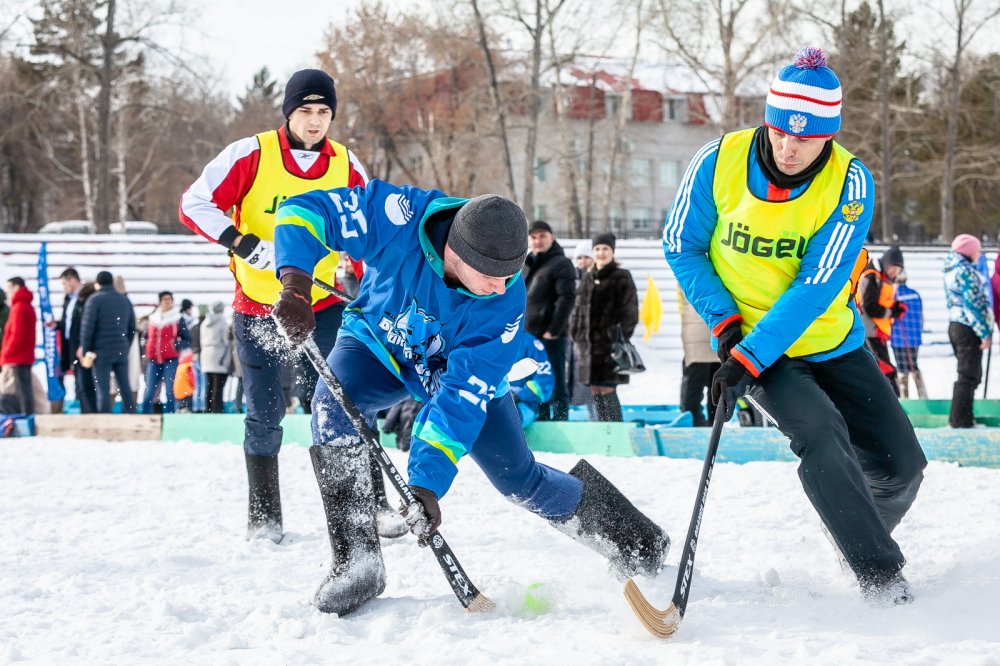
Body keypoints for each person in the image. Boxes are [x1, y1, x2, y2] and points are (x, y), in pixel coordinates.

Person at [271, 181, 669, 616]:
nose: (503, 288)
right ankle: (357, 564)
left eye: (510, 276)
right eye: (493, 277)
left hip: (452, 377)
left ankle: (635, 539)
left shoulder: (505, 304)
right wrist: (294, 284)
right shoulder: (397, 215)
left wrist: (425, 483)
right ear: (457, 254)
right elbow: (303, 211)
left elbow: (459, 399)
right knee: (333, 405)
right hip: (377, 346)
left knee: (518, 478)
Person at [662, 47, 926, 606]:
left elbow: (817, 284)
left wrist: (749, 353)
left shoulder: (850, 182)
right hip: (753, 347)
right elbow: (680, 245)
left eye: (804, 139)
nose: (788, 147)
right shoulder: (717, 161)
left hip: (829, 341)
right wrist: (728, 326)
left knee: (903, 467)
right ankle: (881, 579)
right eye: (780, 131)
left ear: (827, 136)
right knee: (822, 435)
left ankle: (855, 533)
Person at [177, 68, 397, 543]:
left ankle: (373, 506)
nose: (315, 122)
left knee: (349, 401)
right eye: (305, 111)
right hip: (259, 305)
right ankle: (265, 516)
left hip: (322, 303)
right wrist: (241, 242)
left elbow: (368, 231)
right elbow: (194, 203)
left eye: (324, 112)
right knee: (264, 411)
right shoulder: (251, 154)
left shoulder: (344, 163)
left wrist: (369, 282)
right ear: (288, 113)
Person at [570, 233, 639, 422]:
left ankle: (615, 430)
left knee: (608, 389)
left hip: (610, 346)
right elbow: (577, 309)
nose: (601, 253)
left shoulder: (621, 277)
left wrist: (618, 337)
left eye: (605, 249)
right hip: (588, 347)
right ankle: (600, 429)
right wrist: (576, 334)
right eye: (597, 249)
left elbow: (630, 312)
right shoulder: (588, 278)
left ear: (612, 252)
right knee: (594, 390)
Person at [523, 221, 576, 421]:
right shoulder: (527, 263)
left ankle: (561, 420)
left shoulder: (561, 263)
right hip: (530, 336)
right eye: (534, 237)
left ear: (551, 237)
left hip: (551, 336)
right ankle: (542, 419)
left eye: (542, 236)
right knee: (536, 381)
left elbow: (567, 299)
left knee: (556, 380)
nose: (538, 241)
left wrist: (553, 330)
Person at [945, 234, 993, 428]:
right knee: (968, 375)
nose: (979, 254)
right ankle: (960, 421)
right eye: (977, 250)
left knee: (969, 374)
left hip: (956, 326)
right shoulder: (966, 272)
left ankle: (963, 417)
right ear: (968, 251)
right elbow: (973, 306)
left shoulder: (952, 269)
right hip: (968, 328)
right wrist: (984, 333)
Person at [80, 271, 137, 414]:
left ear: (97, 283)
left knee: (102, 389)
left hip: (101, 352)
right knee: (125, 386)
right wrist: (126, 345)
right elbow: (132, 328)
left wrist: (87, 349)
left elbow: (87, 328)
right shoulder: (124, 300)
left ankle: (105, 417)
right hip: (121, 350)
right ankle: (131, 414)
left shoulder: (94, 300)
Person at [858, 245, 906, 394]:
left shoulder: (884, 279)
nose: (894, 272)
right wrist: (892, 311)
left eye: (898, 270)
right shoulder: (872, 277)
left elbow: (880, 303)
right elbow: (870, 307)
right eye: (893, 267)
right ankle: (893, 405)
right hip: (869, 333)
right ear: (885, 264)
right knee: (886, 371)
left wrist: (895, 307)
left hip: (878, 333)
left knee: (884, 371)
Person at [141, 291, 189, 415]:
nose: (167, 302)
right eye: (164, 299)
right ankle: (145, 415)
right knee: (150, 390)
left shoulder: (178, 318)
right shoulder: (153, 317)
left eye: (169, 299)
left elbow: (187, 339)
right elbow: (146, 336)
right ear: (160, 302)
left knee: (169, 390)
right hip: (153, 359)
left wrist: (176, 346)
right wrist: (147, 346)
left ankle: (170, 416)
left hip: (170, 358)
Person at [678, 289, 720, 426]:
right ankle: (716, 425)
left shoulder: (689, 270)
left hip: (697, 334)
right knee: (717, 385)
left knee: (693, 385)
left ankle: (693, 422)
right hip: (718, 330)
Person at [0, 277, 36, 415]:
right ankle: (28, 415)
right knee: (25, 389)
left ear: (16, 287)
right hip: (25, 354)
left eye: (9, 288)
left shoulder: (19, 307)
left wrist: (6, 353)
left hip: (17, 356)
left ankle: (26, 416)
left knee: (22, 390)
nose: (8, 292)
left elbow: (17, 334)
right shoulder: (25, 305)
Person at [890, 272, 927, 399]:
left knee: (902, 368)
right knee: (914, 365)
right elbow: (921, 317)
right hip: (914, 338)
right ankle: (923, 396)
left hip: (899, 338)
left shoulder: (894, 295)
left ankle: (905, 399)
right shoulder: (916, 294)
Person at [510, 333, 554, 428]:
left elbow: (544, 384)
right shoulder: (485, 342)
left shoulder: (530, 343)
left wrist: (518, 395)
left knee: (503, 420)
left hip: (524, 406)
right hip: (489, 404)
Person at [199, 302, 233, 414]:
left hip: (206, 355)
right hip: (219, 355)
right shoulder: (222, 322)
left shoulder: (205, 322)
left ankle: (208, 408)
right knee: (219, 385)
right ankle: (218, 408)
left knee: (209, 384)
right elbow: (225, 340)